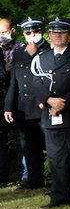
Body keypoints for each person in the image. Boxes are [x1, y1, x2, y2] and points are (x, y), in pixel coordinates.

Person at [31, 16, 70, 208]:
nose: (58, 35)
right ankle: (59, 196)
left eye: (62, 32)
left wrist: (61, 102)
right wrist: (49, 100)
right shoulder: (41, 58)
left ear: (69, 34)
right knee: (56, 158)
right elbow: (36, 82)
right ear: (49, 35)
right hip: (50, 115)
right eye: (54, 32)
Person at [3, 17, 48, 189]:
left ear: (41, 32)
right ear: (23, 34)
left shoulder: (48, 49)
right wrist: (8, 106)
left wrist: (34, 54)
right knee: (28, 147)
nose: (32, 35)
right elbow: (14, 82)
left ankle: (58, 179)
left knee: (50, 146)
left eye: (35, 31)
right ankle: (35, 180)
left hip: (42, 105)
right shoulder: (19, 53)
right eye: (28, 32)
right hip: (24, 107)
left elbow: (42, 74)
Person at [0, 17, 25, 184]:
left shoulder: (23, 49)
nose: (1, 36)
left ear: (12, 31)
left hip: (18, 102)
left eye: (3, 32)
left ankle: (26, 175)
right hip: (0, 100)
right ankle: (2, 176)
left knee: (22, 140)